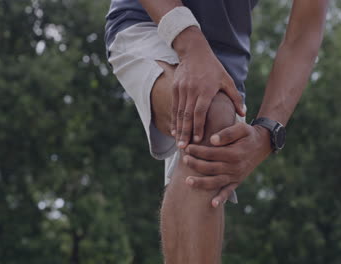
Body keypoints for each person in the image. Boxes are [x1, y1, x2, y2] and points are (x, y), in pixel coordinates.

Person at [105, 0, 328, 262]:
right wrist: (191, 47)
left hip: (226, 61)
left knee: (216, 150)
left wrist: (267, 133)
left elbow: (302, 37)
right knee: (211, 117)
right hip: (152, 20)